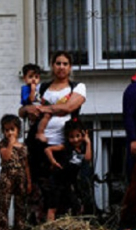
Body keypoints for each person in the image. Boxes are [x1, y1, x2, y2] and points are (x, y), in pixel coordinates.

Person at [19, 51, 86, 220]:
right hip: (39, 144)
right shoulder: (41, 87)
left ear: (70, 67)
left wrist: (43, 109)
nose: (61, 67)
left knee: (64, 185)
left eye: (65, 64)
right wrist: (28, 109)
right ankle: (38, 224)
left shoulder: (77, 87)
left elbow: (68, 108)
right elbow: (22, 110)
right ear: (52, 65)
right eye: (58, 63)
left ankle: (66, 222)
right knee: (39, 185)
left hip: (65, 144)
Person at [43, 119, 91, 220]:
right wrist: (53, 162)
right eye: (71, 137)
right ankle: (49, 229)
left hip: (70, 182)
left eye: (78, 136)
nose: (75, 140)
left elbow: (87, 159)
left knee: (75, 205)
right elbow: (48, 150)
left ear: (83, 134)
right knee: (53, 206)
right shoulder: (66, 147)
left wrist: (88, 142)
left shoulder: (83, 149)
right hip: (57, 180)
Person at [0, 114, 32, 230]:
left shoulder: (23, 147)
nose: (9, 132)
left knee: (20, 205)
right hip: (7, 176)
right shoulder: (3, 144)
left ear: (18, 130)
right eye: (6, 130)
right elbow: (6, 157)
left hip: (20, 176)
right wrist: (10, 143)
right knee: (4, 205)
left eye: (12, 129)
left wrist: (29, 181)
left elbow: (26, 164)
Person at [19, 63, 49, 142]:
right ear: (25, 78)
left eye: (36, 77)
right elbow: (30, 100)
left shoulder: (39, 88)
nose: (33, 79)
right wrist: (32, 90)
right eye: (30, 77)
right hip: (31, 109)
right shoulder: (25, 89)